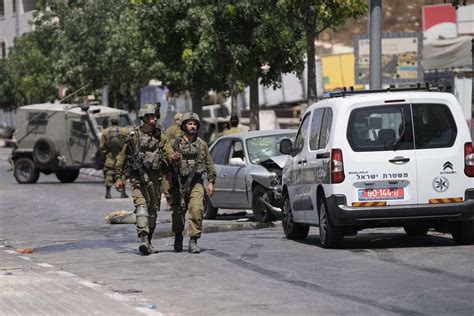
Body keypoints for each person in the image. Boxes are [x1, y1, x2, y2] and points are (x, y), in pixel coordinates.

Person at [114, 103, 179, 256]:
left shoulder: (159, 135)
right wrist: (118, 177)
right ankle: (143, 239)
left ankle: (149, 240)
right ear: (144, 118)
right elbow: (122, 158)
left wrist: (173, 156)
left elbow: (168, 150)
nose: (154, 119)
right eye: (151, 116)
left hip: (155, 178)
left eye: (155, 116)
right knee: (141, 207)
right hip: (137, 178)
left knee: (153, 211)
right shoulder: (133, 136)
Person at [171, 112, 216, 253]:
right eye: (190, 123)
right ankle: (178, 236)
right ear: (184, 126)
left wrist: (211, 181)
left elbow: (209, 164)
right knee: (178, 214)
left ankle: (193, 240)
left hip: (196, 182)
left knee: (197, 210)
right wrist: (174, 159)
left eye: (195, 124)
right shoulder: (176, 143)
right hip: (179, 183)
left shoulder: (202, 144)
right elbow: (167, 164)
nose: (192, 126)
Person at [99, 114, 129, 199]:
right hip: (121, 156)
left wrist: (105, 153)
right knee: (122, 172)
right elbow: (128, 143)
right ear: (118, 120)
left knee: (109, 173)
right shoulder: (124, 131)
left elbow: (101, 146)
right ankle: (123, 193)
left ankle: (108, 193)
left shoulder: (105, 132)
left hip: (110, 156)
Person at [162, 112, 183, 205]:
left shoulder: (168, 129)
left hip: (166, 155)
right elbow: (180, 141)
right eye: (181, 120)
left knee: (166, 176)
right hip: (174, 156)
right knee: (173, 176)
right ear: (177, 121)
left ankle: (168, 197)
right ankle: (172, 197)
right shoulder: (177, 129)